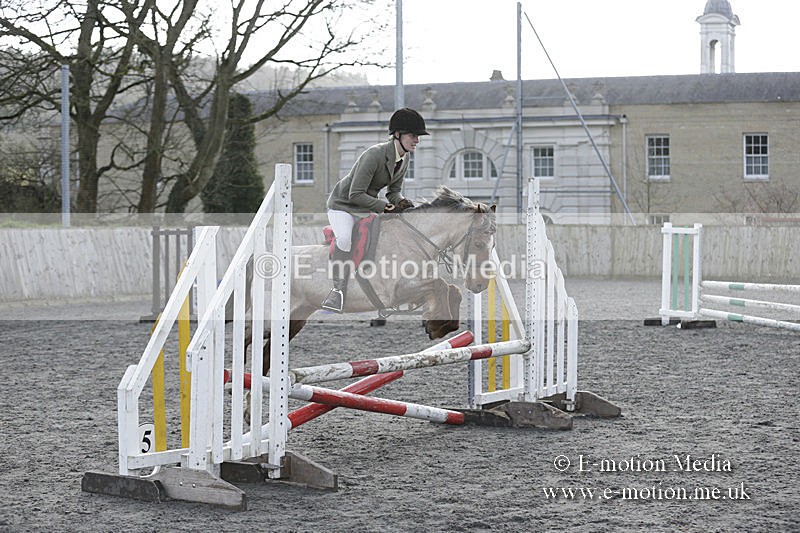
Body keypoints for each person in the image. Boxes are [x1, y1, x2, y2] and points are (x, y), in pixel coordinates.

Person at [321, 107, 429, 313]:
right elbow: (355, 194)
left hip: (365, 206)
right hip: (343, 206)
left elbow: (393, 192)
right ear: (397, 134)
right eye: (413, 135)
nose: (417, 140)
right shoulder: (374, 155)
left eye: (418, 136)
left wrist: (402, 202)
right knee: (344, 239)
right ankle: (337, 291)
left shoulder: (404, 158)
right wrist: (384, 207)